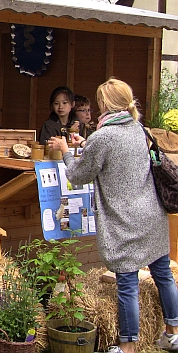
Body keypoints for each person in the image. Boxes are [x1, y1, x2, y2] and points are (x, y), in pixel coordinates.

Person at [47, 78, 178, 353]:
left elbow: (78, 175)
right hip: (152, 216)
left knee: (127, 283)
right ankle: (173, 334)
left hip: (124, 221)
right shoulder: (139, 129)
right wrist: (86, 142)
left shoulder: (103, 137)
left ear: (105, 103)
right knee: (163, 274)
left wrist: (64, 152)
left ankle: (127, 347)